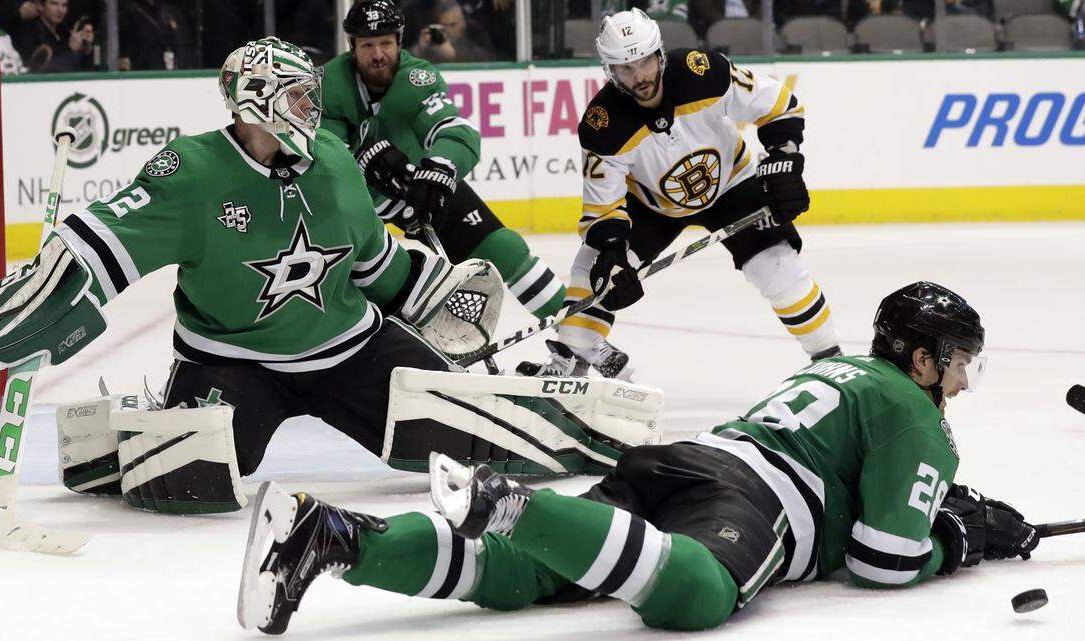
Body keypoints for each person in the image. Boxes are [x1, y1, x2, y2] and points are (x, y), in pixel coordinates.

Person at [0, 37, 635, 516]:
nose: (315, 108)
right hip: (231, 358)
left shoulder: (334, 161)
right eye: (301, 97)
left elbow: (376, 265)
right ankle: (128, 430)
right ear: (257, 103)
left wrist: (431, 297)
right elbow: (101, 243)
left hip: (352, 347)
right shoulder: (190, 172)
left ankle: (577, 418)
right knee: (191, 484)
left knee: (472, 446)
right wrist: (44, 292)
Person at [238, 281, 1041, 635]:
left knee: (521, 574)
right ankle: (511, 501)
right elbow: (886, 560)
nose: (963, 381)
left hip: (682, 461)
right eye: (958, 361)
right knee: (695, 594)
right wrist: (960, 538)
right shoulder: (913, 411)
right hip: (750, 499)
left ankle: (336, 535)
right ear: (923, 357)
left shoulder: (838, 371)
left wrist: (943, 508)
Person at [519, 9, 842, 380]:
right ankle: (571, 357)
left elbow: (780, 105)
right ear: (610, 71)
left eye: (643, 61)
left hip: (732, 183)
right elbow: (603, 207)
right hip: (652, 205)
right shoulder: (602, 124)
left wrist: (785, 159)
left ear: (659, 53)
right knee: (594, 271)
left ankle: (830, 362)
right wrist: (613, 254)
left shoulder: (703, 71)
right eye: (626, 68)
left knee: (778, 267)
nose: (639, 76)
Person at [321, 0, 567, 325]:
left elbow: (455, 131)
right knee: (365, 285)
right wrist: (359, 159)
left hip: (413, 187)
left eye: (385, 43)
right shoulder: (329, 84)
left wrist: (437, 170)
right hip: (353, 203)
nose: (377, 54)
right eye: (367, 45)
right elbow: (322, 151)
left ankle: (578, 333)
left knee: (503, 248)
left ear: (399, 41)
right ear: (352, 47)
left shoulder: (417, 78)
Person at [410, 0, 496, 63]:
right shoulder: (435, 34)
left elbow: (488, 58)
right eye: (444, 25)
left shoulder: (474, 30)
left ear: (463, 21)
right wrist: (419, 49)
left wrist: (455, 54)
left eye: (452, 25)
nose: (448, 30)